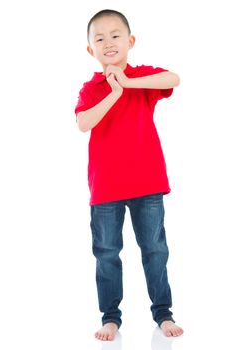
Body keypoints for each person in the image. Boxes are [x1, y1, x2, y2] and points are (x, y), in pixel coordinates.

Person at [74, 9, 184, 341]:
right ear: (90, 49)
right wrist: (114, 93)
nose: (108, 43)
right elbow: (83, 123)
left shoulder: (143, 78)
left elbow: (173, 78)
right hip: (106, 188)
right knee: (107, 253)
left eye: (115, 35)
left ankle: (163, 314)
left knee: (154, 249)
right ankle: (111, 318)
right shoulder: (91, 87)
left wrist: (129, 82)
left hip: (147, 183)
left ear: (130, 41)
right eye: (99, 38)